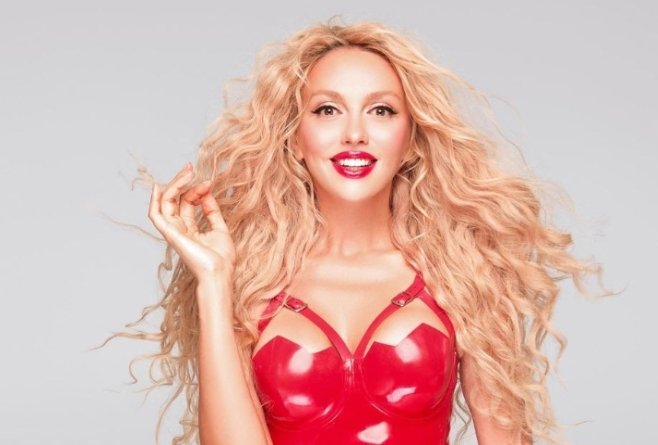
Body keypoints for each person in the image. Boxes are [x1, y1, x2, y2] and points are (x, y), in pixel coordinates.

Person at [122, 17, 612, 445]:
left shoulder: (467, 279)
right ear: (294, 140)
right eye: (327, 110)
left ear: (412, 139)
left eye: (381, 110)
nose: (354, 133)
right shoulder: (248, 286)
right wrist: (214, 281)